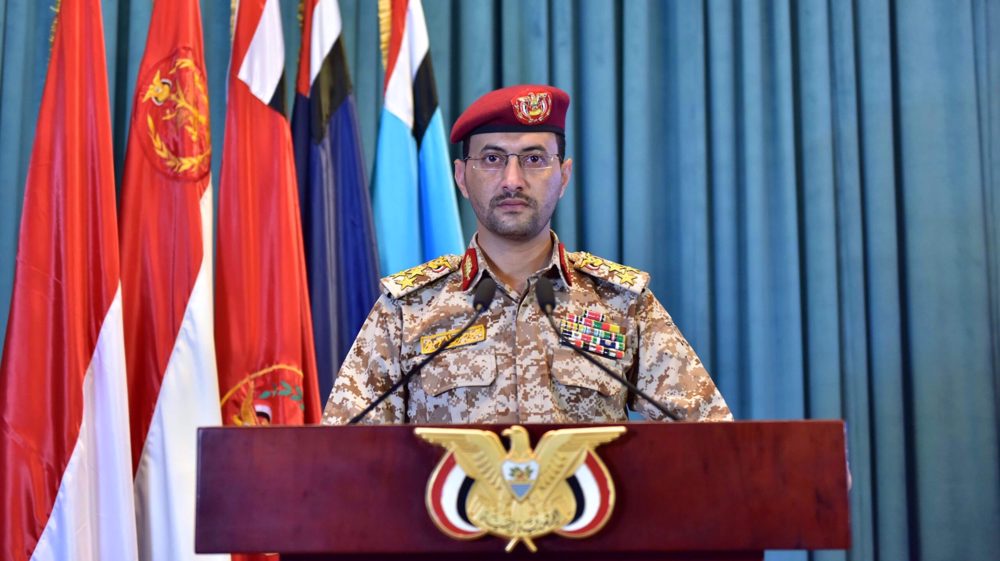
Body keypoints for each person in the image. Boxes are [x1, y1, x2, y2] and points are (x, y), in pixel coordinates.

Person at [321, 84, 731, 425]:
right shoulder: (407, 310)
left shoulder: (620, 304)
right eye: (493, 159)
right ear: (462, 178)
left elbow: (707, 436)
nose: (512, 180)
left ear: (564, 175)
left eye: (534, 159)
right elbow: (348, 452)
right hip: (447, 521)